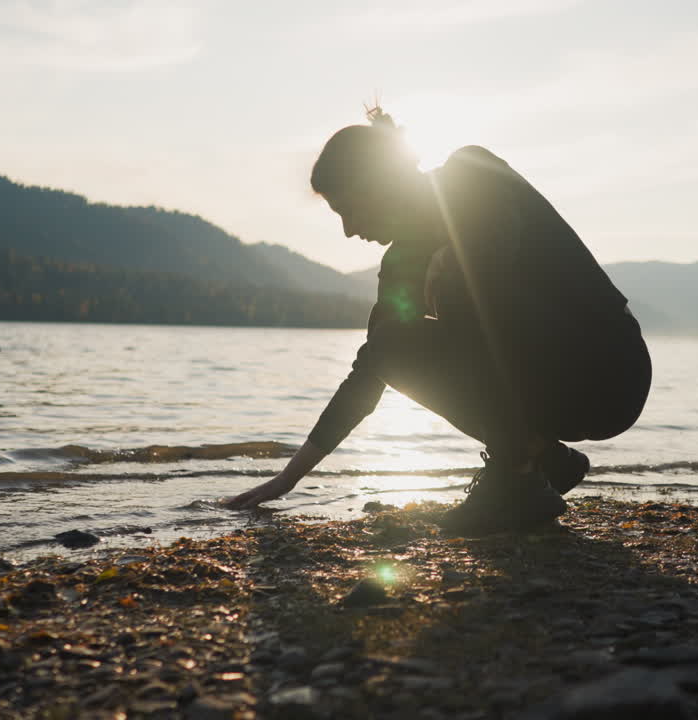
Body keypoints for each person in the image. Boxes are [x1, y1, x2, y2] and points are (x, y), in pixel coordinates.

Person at [226, 107, 651, 536]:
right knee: (388, 345)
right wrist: (288, 479)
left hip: (609, 369)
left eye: (347, 209)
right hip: (551, 390)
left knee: (456, 280)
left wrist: (451, 260)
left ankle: (515, 477)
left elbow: (497, 251)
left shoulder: (470, 172)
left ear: (374, 185)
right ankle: (544, 461)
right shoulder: (402, 262)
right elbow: (369, 371)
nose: (348, 231)